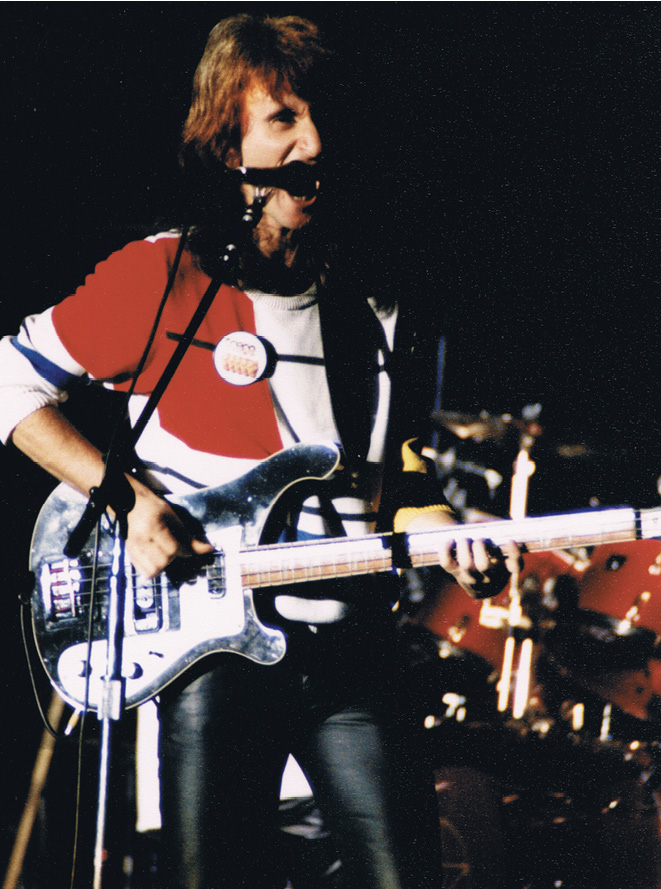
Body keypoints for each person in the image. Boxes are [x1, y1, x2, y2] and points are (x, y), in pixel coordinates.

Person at [0, 14, 520, 889]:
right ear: (225, 144)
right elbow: (9, 382)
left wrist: (446, 533)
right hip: (215, 661)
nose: (312, 141)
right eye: (281, 118)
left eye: (320, 118)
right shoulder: (158, 278)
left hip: (354, 656)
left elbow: (399, 468)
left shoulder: (378, 304)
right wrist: (129, 502)